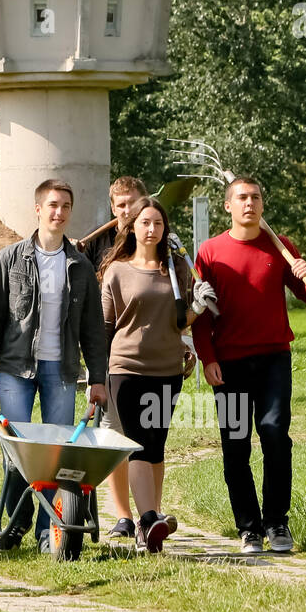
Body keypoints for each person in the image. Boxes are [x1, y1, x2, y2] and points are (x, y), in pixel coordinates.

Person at [191, 176, 306, 555]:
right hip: (229, 362)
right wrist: (208, 358)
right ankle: (249, 528)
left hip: (273, 359)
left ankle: (277, 522)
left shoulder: (280, 247)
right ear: (228, 206)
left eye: (255, 197)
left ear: (262, 205)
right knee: (235, 445)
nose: (249, 203)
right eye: (241, 198)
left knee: (275, 435)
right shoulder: (210, 251)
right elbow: (202, 314)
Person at [0, 179, 108, 553]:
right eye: (52, 205)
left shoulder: (80, 266)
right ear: (38, 209)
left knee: (57, 454)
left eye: (65, 205)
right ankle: (17, 523)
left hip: (63, 370)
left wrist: (97, 379)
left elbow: (94, 330)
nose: (58, 212)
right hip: (16, 368)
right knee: (18, 451)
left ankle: (51, 532)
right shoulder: (11, 258)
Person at [97, 197, 215, 552]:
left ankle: (152, 519)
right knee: (136, 445)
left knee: (155, 446)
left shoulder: (175, 268)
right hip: (126, 369)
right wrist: (96, 377)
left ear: (165, 230)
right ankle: (147, 519)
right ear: (132, 227)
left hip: (167, 371)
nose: (152, 229)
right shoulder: (117, 270)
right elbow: (105, 327)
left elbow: (180, 321)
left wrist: (197, 307)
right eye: (145, 223)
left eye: (158, 224)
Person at [89, 176, 149, 542]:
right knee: (113, 436)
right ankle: (123, 516)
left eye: (133, 202)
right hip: (111, 354)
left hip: (152, 354)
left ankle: (149, 514)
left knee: (148, 439)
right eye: (120, 204)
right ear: (112, 207)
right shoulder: (96, 244)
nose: (127, 210)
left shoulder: (156, 236)